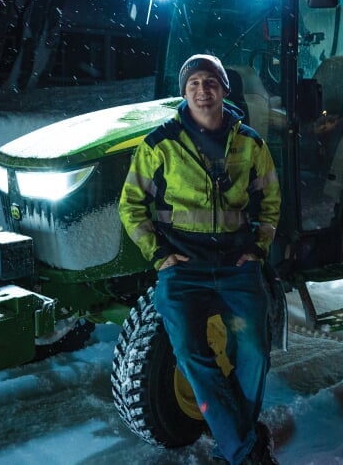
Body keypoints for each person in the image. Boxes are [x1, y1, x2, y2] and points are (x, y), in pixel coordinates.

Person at [118, 54, 282, 464]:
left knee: (255, 351)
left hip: (236, 266)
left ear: (225, 89)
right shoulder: (160, 144)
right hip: (183, 268)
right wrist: (158, 256)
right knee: (191, 353)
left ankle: (236, 445)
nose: (202, 90)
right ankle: (244, 449)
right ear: (184, 92)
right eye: (193, 84)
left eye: (210, 82)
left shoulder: (251, 143)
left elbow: (271, 203)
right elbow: (130, 205)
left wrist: (257, 249)